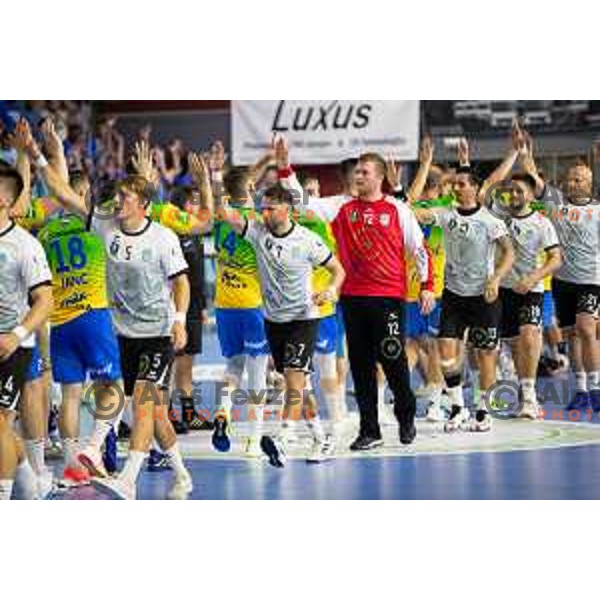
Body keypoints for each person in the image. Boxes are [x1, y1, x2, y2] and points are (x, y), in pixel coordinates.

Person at [29, 136, 212, 500]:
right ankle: (182, 476)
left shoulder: (162, 237)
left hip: (157, 332)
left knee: (143, 401)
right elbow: (63, 193)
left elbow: (181, 282)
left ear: (143, 204)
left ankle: (124, 477)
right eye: (116, 195)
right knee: (154, 414)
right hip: (122, 332)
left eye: (125, 196)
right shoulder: (103, 225)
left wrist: (178, 319)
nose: (117, 201)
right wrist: (37, 154)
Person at [280, 137, 435, 450]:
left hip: (389, 297)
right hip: (352, 297)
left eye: (365, 172)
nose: (358, 176)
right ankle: (370, 430)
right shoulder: (340, 206)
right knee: (361, 366)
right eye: (357, 172)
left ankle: (406, 415)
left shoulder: (397, 210)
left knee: (392, 359)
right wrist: (285, 168)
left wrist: (427, 287)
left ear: (380, 177)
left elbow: (420, 250)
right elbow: (302, 204)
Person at [217, 182, 346, 466]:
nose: (264, 213)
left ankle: (282, 440)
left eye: (270, 208)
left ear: (286, 210)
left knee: (293, 379)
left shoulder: (306, 240)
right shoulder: (258, 233)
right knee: (302, 387)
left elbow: (338, 270)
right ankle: (322, 438)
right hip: (273, 320)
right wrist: (209, 181)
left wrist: (332, 290)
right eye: (262, 208)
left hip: (303, 318)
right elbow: (223, 213)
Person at [414, 132, 518, 432]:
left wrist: (497, 277)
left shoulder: (490, 220)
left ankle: (483, 411)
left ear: (475, 188)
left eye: (461, 183)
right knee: (446, 351)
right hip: (454, 295)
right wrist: (425, 165)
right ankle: (458, 407)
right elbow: (410, 208)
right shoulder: (445, 215)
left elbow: (509, 252)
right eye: (453, 184)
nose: (455, 187)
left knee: (485, 354)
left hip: (484, 296)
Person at [521, 149, 600, 411]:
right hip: (563, 281)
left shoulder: (597, 211)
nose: (571, 183)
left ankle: (596, 387)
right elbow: (535, 178)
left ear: (589, 183)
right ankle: (580, 390)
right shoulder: (557, 206)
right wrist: (525, 155)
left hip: (591, 280)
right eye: (569, 179)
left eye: (578, 179)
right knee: (572, 335)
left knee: (587, 328)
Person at [0, 164, 53, 500]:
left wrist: (17, 335)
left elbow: (45, 301)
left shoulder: (25, 245)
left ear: (5, 199)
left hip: (11, 345)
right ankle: (28, 478)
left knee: (0, 422)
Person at [499, 173, 561, 418]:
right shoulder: (499, 220)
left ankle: (530, 397)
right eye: (511, 190)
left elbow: (556, 258)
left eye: (519, 190)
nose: (514, 195)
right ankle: (522, 391)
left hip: (531, 290)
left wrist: (533, 278)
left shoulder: (541, 222)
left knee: (530, 334)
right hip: (504, 290)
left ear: (532, 194)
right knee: (515, 344)